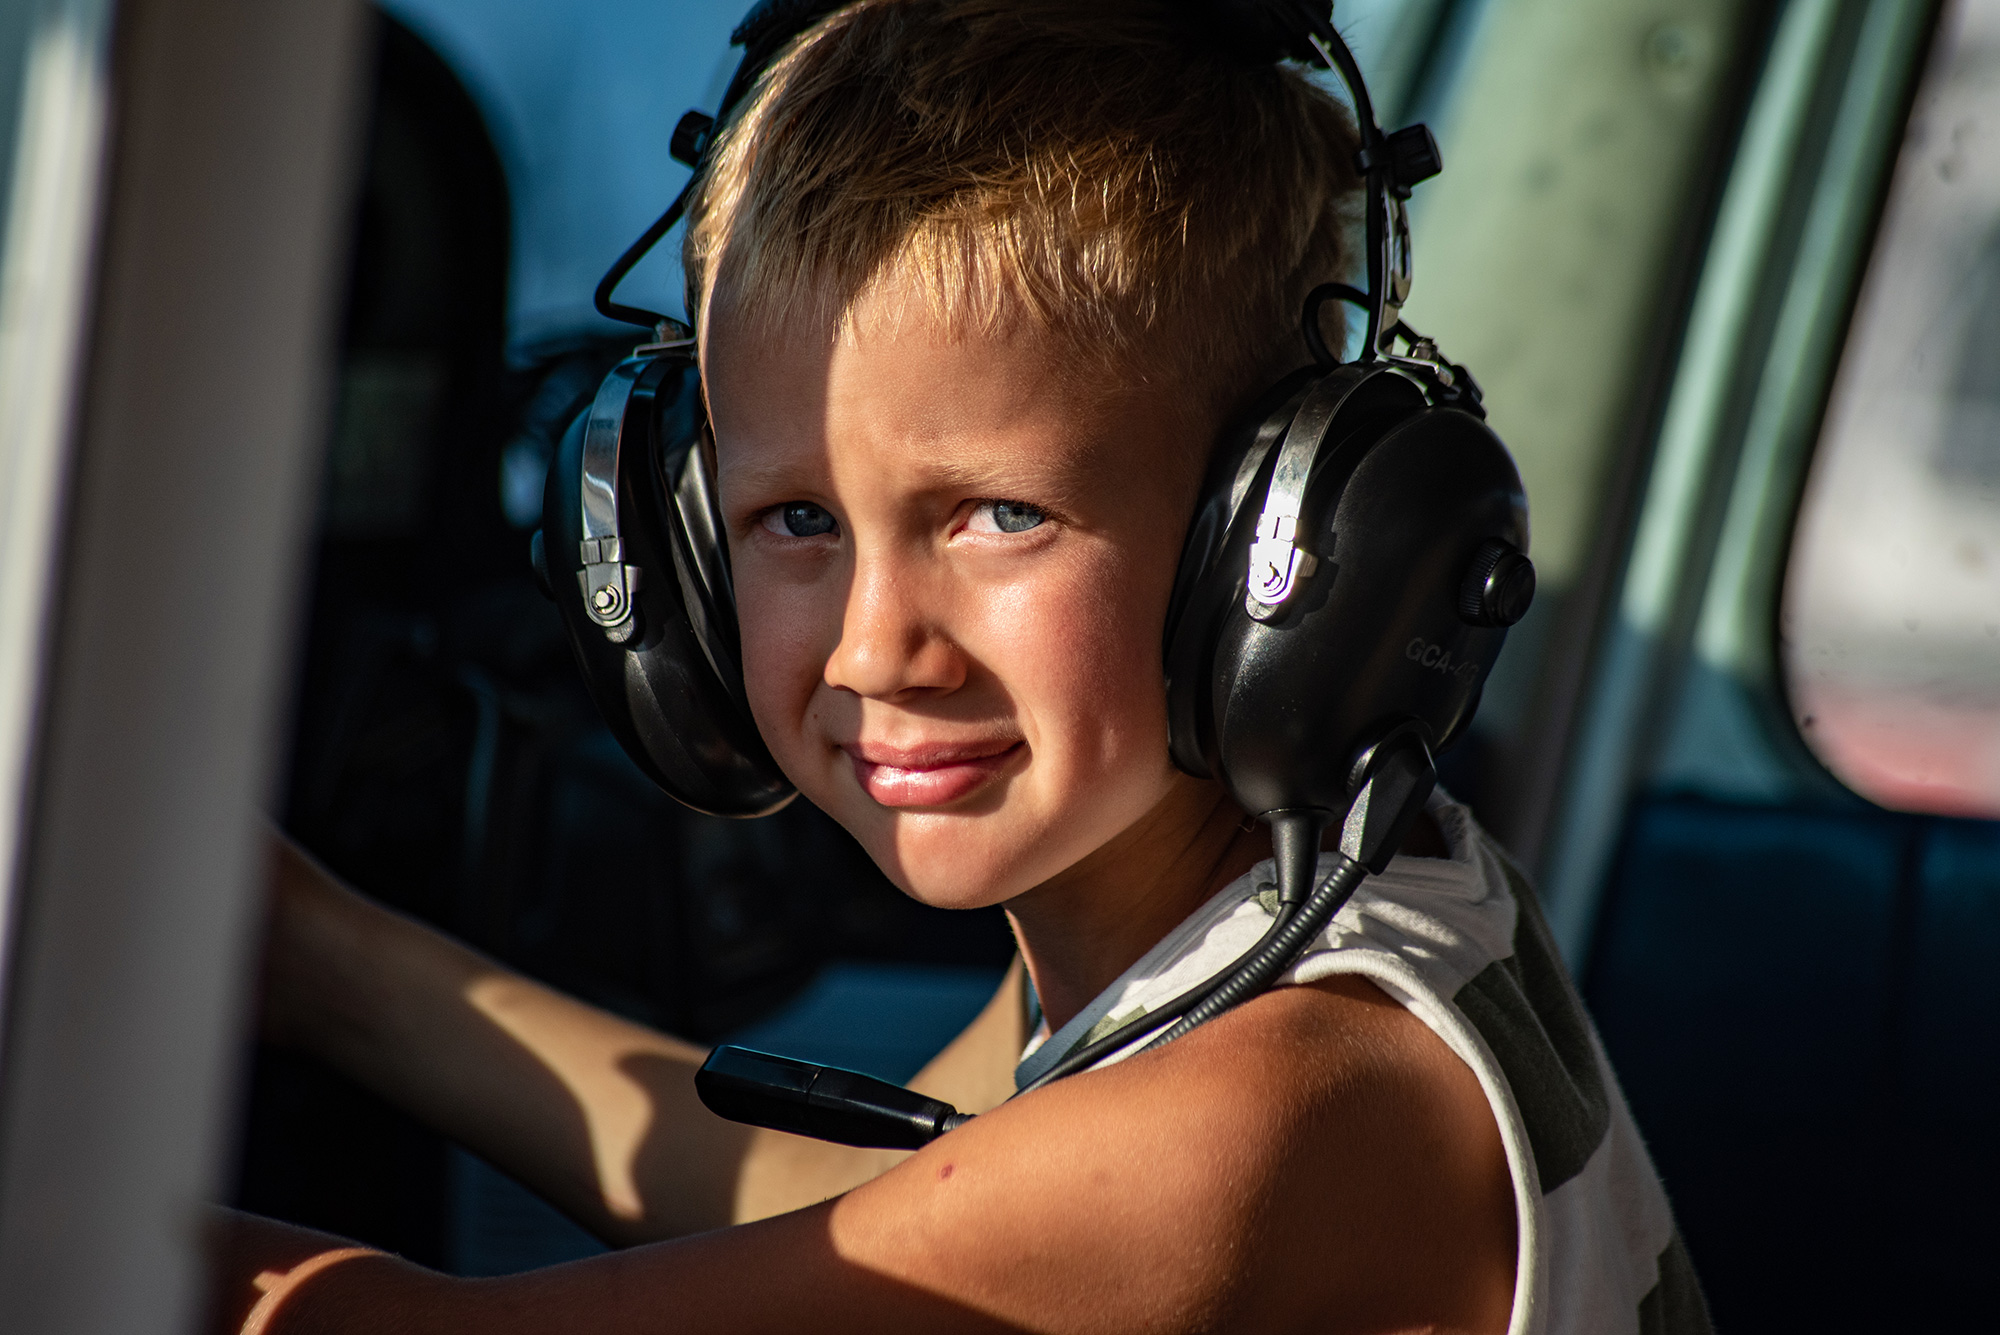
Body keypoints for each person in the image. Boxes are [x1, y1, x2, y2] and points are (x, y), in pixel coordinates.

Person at [210, 3, 1708, 1331]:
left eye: (1001, 516)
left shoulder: (1262, 1115)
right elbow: (857, 1219)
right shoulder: (1258, 916)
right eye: (799, 521)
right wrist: (319, 953)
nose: (878, 650)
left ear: (1273, 538)